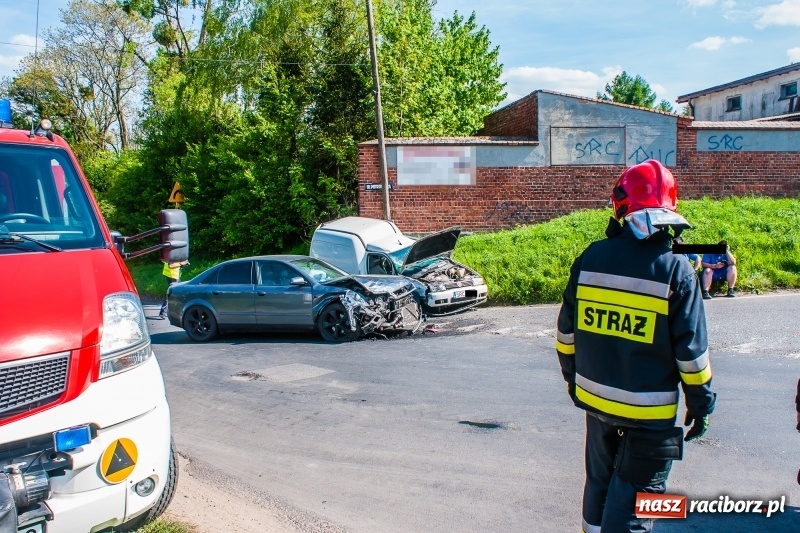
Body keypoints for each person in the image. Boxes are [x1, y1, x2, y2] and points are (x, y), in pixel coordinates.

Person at [556, 159, 716, 533]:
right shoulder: (676, 270)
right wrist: (701, 405)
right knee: (637, 505)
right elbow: (691, 356)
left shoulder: (590, 259)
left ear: (621, 206)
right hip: (650, 415)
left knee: (598, 487)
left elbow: (566, 336)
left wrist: (574, 383)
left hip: (596, 404)